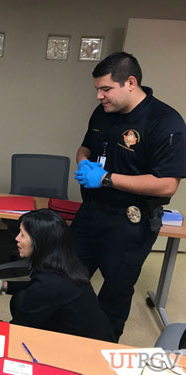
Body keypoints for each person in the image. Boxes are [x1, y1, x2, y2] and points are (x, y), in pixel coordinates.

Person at [71, 52, 186, 340]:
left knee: (115, 290)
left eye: (106, 89)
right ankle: (64, 338)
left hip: (129, 222)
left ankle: (102, 350)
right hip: (90, 212)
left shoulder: (165, 121)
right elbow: (84, 148)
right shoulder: (103, 112)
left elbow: (167, 184)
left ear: (131, 83)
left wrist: (107, 179)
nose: (99, 96)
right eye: (97, 89)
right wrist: (83, 163)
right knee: (66, 277)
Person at [0, 209, 116, 342]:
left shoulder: (50, 284)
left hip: (87, 350)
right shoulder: (65, 263)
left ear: (38, 243)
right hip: (98, 334)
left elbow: (13, 332)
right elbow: (37, 287)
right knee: (21, 300)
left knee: (22, 303)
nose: (16, 238)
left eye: (22, 235)